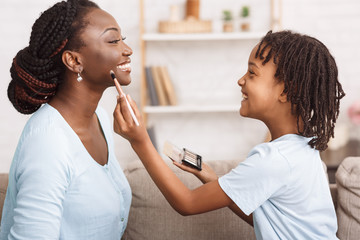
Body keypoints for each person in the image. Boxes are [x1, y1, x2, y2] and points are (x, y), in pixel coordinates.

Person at [113, 30, 345, 239]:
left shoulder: (273, 159)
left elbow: (187, 203)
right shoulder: (302, 148)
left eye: (252, 73)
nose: (241, 80)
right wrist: (212, 179)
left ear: (287, 90)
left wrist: (140, 140)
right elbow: (274, 221)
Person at [1, 0, 133, 239]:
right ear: (74, 61)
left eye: (123, 38)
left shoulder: (100, 119)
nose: (127, 49)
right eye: (114, 40)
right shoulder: (47, 142)